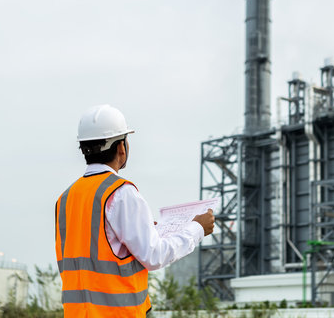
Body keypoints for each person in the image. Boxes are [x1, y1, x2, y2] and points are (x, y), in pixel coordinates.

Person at [55, 104, 215, 317]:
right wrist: (197, 228)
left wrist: (148, 231)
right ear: (121, 147)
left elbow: (96, 253)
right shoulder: (121, 194)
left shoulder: (65, 199)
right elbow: (154, 256)